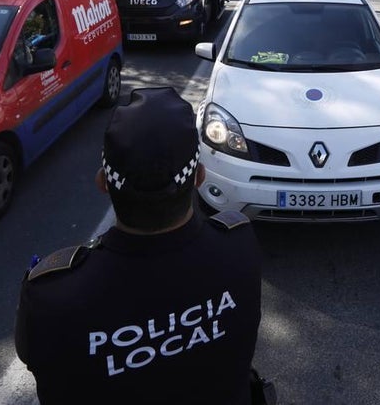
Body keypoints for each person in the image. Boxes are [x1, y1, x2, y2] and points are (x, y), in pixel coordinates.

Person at [15, 87, 263, 405]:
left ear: (103, 182)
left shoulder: (50, 295)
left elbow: (35, 358)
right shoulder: (239, 247)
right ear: (199, 176)